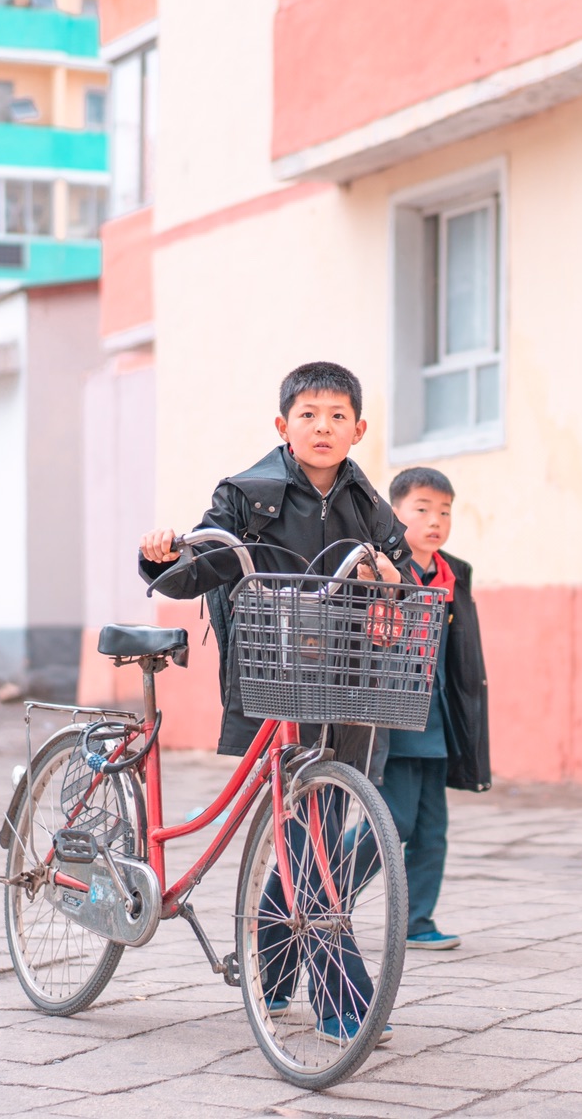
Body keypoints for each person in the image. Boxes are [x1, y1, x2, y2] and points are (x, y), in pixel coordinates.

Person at [138, 361, 410, 1045]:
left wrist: (388, 575)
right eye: (310, 414)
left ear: (359, 428)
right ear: (283, 425)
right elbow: (192, 566)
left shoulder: (367, 505)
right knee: (307, 842)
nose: (324, 426)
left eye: (338, 416)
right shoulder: (246, 494)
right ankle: (346, 1000)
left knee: (310, 837)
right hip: (274, 682)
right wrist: (161, 555)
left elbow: (400, 574)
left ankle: (273, 971)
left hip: (345, 688)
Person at [383, 467, 491, 952]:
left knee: (432, 831)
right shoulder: (383, 569)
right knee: (394, 823)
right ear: (395, 513)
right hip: (395, 721)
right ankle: (326, 889)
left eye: (444, 511)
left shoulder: (453, 574)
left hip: (439, 721)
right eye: (422, 509)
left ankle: (417, 921)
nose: (435, 520)